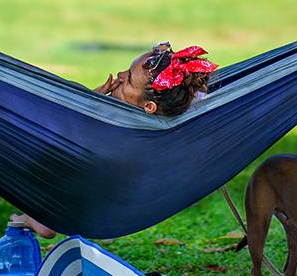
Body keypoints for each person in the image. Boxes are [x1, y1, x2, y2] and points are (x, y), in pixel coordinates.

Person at [13, 43, 219, 238]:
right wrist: (87, 102)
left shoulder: (118, 136)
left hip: (95, 195)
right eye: (126, 71)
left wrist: (85, 109)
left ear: (149, 106)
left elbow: (60, 141)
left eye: (128, 79)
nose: (119, 76)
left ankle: (41, 217)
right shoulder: (151, 126)